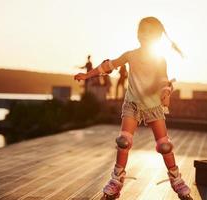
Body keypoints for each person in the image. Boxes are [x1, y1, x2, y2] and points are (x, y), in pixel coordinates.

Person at [74, 17, 192, 200]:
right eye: (142, 30)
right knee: (123, 141)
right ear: (137, 34)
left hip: (153, 106)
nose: (144, 34)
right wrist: (87, 75)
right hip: (132, 104)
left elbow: (163, 79)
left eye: (150, 32)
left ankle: (177, 180)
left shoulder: (160, 59)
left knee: (164, 145)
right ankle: (116, 180)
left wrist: (166, 91)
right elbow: (109, 65)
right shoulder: (131, 55)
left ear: (157, 37)